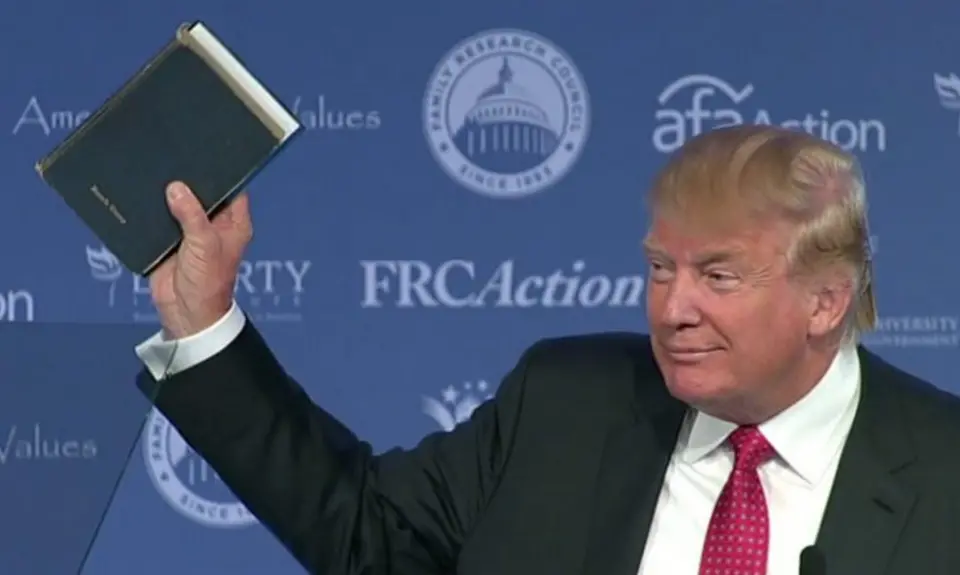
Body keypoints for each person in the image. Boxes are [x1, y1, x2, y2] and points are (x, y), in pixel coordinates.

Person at [135, 125, 960, 575]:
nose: (673, 309)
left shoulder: (945, 473)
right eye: (660, 268)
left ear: (826, 300)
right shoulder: (565, 403)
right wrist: (204, 321)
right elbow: (366, 535)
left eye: (718, 275)